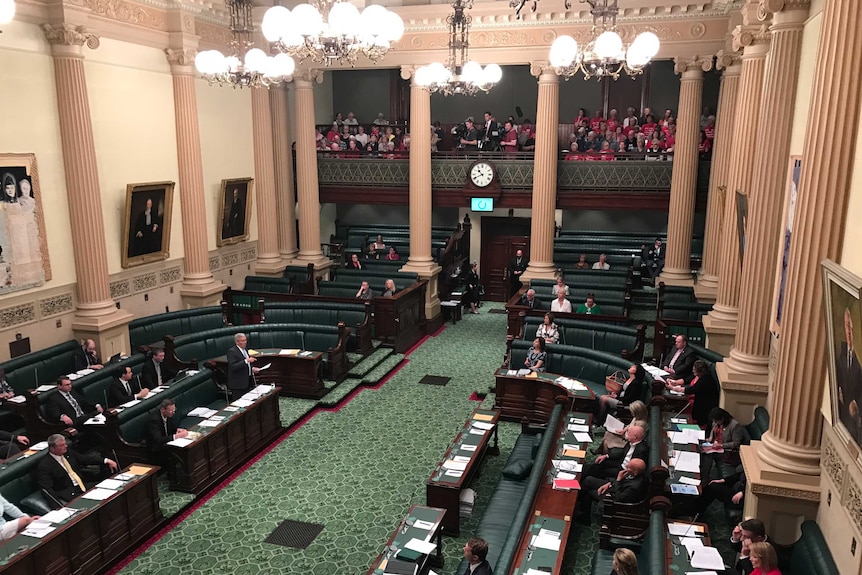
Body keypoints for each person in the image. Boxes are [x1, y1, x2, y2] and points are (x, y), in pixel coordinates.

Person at [36, 434, 118, 505]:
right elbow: (47, 489)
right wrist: (58, 507)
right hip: (70, 492)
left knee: (110, 491)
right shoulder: (45, 466)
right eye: (61, 445)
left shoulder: (68, 452)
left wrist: (106, 460)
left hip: (83, 484)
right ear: (52, 449)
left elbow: (84, 459)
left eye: (65, 444)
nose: (65, 446)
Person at [576, 458, 647, 525]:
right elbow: (621, 482)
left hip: (613, 498)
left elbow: (620, 498)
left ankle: (584, 518)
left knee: (590, 492)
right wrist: (609, 483)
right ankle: (576, 500)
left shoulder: (634, 487)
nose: (627, 465)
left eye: (629, 466)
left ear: (635, 472)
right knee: (589, 480)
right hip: (613, 487)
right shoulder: (632, 473)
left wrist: (618, 480)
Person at [581, 425, 648, 483]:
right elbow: (622, 452)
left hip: (624, 470)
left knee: (600, 470)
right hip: (620, 462)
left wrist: (625, 473)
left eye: (629, 433)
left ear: (635, 437)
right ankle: (582, 476)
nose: (626, 434)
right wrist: (606, 456)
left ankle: (583, 481)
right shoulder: (632, 441)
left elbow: (637, 469)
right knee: (600, 462)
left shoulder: (642, 450)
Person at [836, 307, 862, 443]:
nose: (849, 331)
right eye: (847, 325)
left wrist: (856, 405)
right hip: (841, 419)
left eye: (851, 327)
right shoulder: (842, 353)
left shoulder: (860, 358)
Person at [666, 359, 719, 426]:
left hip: (703, 406)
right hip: (694, 401)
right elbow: (686, 380)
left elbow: (691, 390)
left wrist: (673, 388)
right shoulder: (697, 376)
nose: (692, 370)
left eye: (694, 369)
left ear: (699, 371)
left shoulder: (705, 381)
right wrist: (674, 382)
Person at [699, 407, 745, 479]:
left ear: (722, 419)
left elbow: (736, 443)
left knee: (708, 456)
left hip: (727, 450)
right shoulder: (716, 422)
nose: (715, 423)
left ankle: (704, 479)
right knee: (700, 449)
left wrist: (721, 445)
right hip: (715, 445)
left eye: (716, 421)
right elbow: (713, 429)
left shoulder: (735, 425)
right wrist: (711, 437)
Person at [143, 398, 188, 470]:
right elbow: (158, 439)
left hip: (165, 441)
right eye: (171, 411)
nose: (173, 412)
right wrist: (176, 436)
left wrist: (178, 430)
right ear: (163, 410)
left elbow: (173, 427)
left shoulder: (169, 415)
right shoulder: (153, 420)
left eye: (174, 410)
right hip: (155, 447)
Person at [226, 333, 259, 401]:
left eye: (245, 340)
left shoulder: (245, 350)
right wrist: (246, 361)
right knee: (239, 403)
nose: (245, 342)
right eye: (243, 341)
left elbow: (246, 365)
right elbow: (233, 367)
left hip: (247, 382)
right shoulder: (232, 351)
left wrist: (252, 369)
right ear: (237, 342)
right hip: (238, 384)